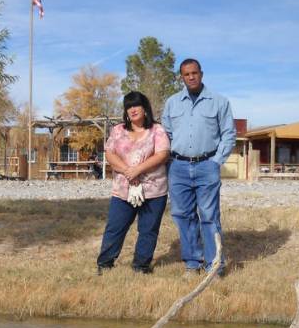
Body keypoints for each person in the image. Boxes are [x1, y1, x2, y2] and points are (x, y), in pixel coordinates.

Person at [162, 58, 236, 275]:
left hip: (207, 165)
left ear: (201, 74)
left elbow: (228, 134)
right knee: (182, 215)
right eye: (186, 74)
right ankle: (192, 263)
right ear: (181, 77)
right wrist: (169, 161)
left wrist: (216, 162)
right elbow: (165, 135)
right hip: (178, 167)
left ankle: (214, 265)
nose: (191, 77)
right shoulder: (172, 103)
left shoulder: (219, 102)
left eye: (194, 73)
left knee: (209, 216)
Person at [96, 91, 170, 274]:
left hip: (153, 190)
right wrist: (128, 171)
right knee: (115, 227)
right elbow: (110, 153)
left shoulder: (157, 130)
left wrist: (138, 169)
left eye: (136, 105)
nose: (132, 109)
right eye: (128, 106)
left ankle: (141, 266)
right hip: (123, 190)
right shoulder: (118, 130)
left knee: (148, 229)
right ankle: (105, 264)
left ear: (145, 108)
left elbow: (162, 154)